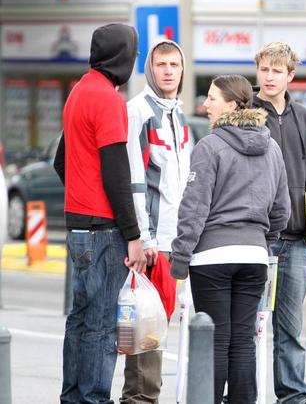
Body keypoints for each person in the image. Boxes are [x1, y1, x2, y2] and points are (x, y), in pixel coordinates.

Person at [170, 75, 290, 404]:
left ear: (233, 105)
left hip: (212, 257)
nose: (205, 105)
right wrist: (261, 239)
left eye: (212, 99)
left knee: (216, 340)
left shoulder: (210, 147)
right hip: (254, 257)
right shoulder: (272, 147)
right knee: (243, 340)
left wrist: (180, 259)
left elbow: (193, 209)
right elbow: (282, 209)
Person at [53, 23, 147, 404]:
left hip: (77, 226)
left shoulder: (77, 92)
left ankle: (72, 397)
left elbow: (62, 161)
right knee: (102, 325)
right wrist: (133, 234)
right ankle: (94, 398)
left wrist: (82, 191)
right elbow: (116, 172)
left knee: (78, 320)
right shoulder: (108, 100)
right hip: (104, 229)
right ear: (122, 57)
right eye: (134, 54)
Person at [252, 41, 306, 404]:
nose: (268, 76)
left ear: (289, 76)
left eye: (276, 70)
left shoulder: (305, 119)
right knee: (248, 324)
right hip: (255, 236)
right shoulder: (247, 113)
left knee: (290, 325)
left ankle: (293, 395)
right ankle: (243, 392)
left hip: (297, 237)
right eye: (264, 69)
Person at [122, 39, 189, 404]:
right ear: (150, 68)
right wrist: (143, 237)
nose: (167, 71)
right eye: (161, 64)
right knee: (145, 327)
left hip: (171, 240)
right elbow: (134, 178)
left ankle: (144, 396)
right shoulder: (138, 112)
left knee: (156, 326)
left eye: (174, 65)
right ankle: (139, 399)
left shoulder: (177, 115)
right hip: (150, 243)